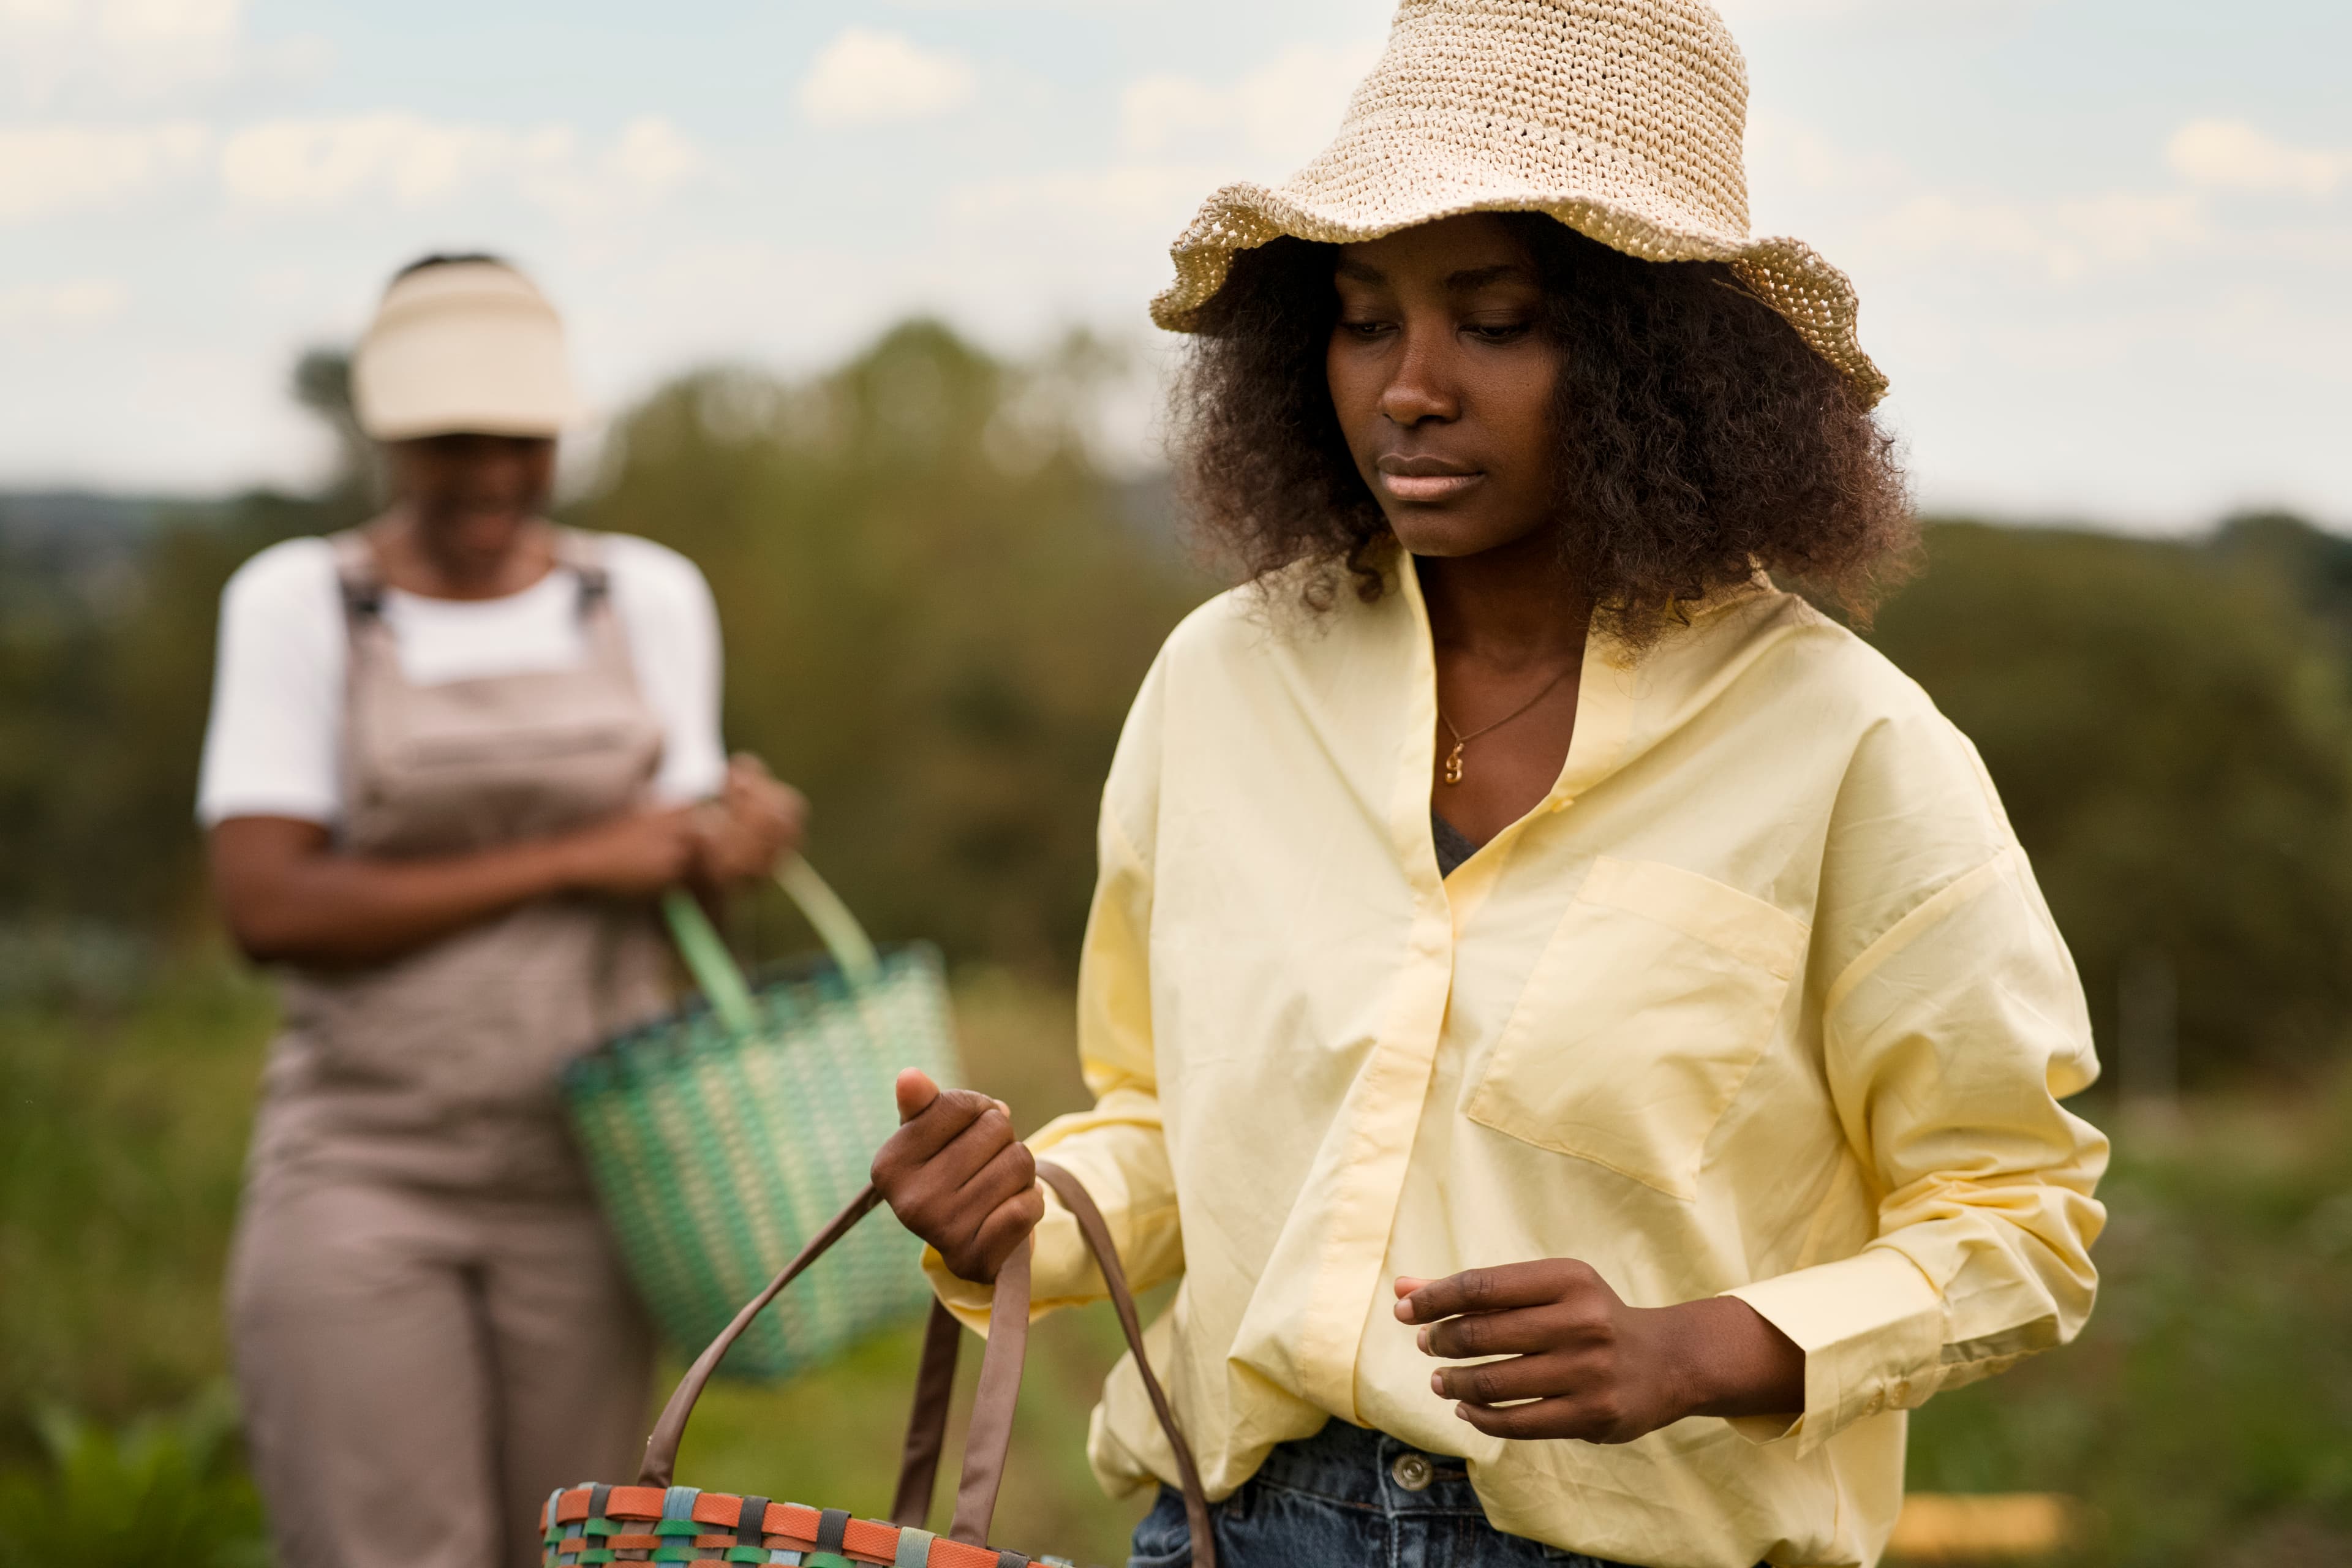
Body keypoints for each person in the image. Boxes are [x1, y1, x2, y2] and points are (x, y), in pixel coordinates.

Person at [872, 4, 2106, 1567]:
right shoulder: (1225, 680)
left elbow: (2017, 1213)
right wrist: (1020, 1200)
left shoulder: (1844, 743)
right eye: (1365, 316)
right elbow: (1175, 1127)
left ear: (1664, 359)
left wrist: (1706, 1345)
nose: (1410, 386)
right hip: (1229, 1521)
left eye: (1499, 319)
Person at [201, 254, 804, 1568]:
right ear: (391, 436)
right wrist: (571, 854)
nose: (486, 471)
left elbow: (681, 865)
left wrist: (739, 840)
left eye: (516, 438)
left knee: (568, 1546)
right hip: (366, 1169)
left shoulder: (644, 596)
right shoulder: (301, 603)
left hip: (597, 1183)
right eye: (450, 439)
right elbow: (266, 902)